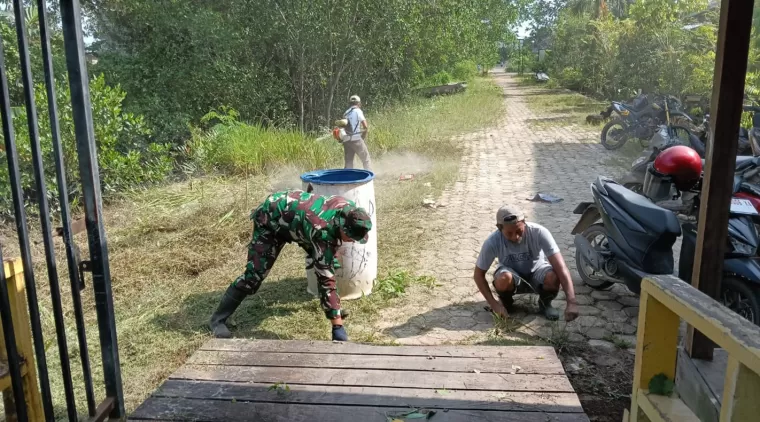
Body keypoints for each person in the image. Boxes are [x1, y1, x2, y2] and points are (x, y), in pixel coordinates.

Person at [209, 190, 373, 341]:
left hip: (297, 220)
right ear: (343, 226)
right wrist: (337, 326)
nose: (352, 241)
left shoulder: (350, 210)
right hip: (271, 220)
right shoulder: (322, 231)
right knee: (254, 276)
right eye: (350, 237)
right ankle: (217, 320)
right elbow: (326, 279)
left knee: (327, 261)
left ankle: (332, 308)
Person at [473, 204, 579, 322]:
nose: (515, 237)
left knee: (553, 276)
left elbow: (561, 267)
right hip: (511, 277)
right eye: (509, 233)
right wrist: (494, 304)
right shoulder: (492, 241)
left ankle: (545, 304)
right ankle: (506, 303)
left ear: (524, 222)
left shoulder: (539, 232)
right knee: (503, 278)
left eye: (519, 230)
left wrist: (571, 302)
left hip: (537, 273)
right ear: (499, 228)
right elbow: (478, 275)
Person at [342, 95, 371, 170]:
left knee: (348, 161)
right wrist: (363, 137)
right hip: (356, 139)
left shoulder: (346, 113)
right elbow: (365, 126)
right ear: (358, 103)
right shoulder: (358, 111)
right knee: (366, 159)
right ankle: (369, 176)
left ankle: (347, 178)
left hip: (346, 140)